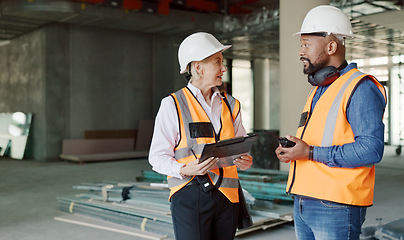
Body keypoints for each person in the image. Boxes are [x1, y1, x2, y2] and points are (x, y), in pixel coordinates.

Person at [275, 5, 387, 240]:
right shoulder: (319, 89)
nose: (300, 51)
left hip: (336, 205)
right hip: (303, 200)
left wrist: (311, 153)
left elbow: (371, 149)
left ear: (331, 46)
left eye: (306, 44)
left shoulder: (360, 87)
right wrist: (295, 150)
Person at [148, 32, 253, 240]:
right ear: (198, 67)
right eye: (217, 62)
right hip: (190, 195)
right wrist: (184, 169)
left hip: (227, 197)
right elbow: (157, 157)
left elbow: (239, 146)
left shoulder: (232, 105)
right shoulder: (173, 105)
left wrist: (244, 159)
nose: (223, 68)